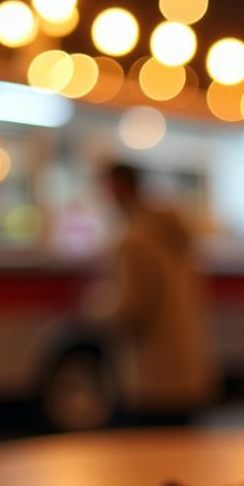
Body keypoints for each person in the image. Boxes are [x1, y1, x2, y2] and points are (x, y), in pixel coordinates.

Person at [99, 163, 216, 423]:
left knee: (147, 460)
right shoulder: (175, 232)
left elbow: (132, 310)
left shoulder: (134, 241)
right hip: (186, 371)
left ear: (120, 189)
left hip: (152, 377)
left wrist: (100, 310)